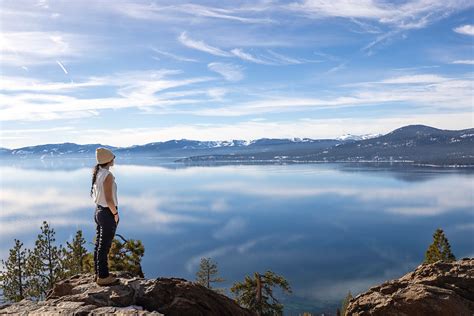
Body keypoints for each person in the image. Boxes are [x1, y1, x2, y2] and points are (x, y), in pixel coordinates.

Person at [91, 147, 120, 286]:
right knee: (104, 247)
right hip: (107, 213)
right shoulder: (107, 175)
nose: (114, 159)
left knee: (99, 245)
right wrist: (115, 214)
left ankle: (98, 273)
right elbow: (109, 199)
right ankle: (103, 277)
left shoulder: (98, 173)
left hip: (98, 211)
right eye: (113, 157)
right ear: (109, 160)